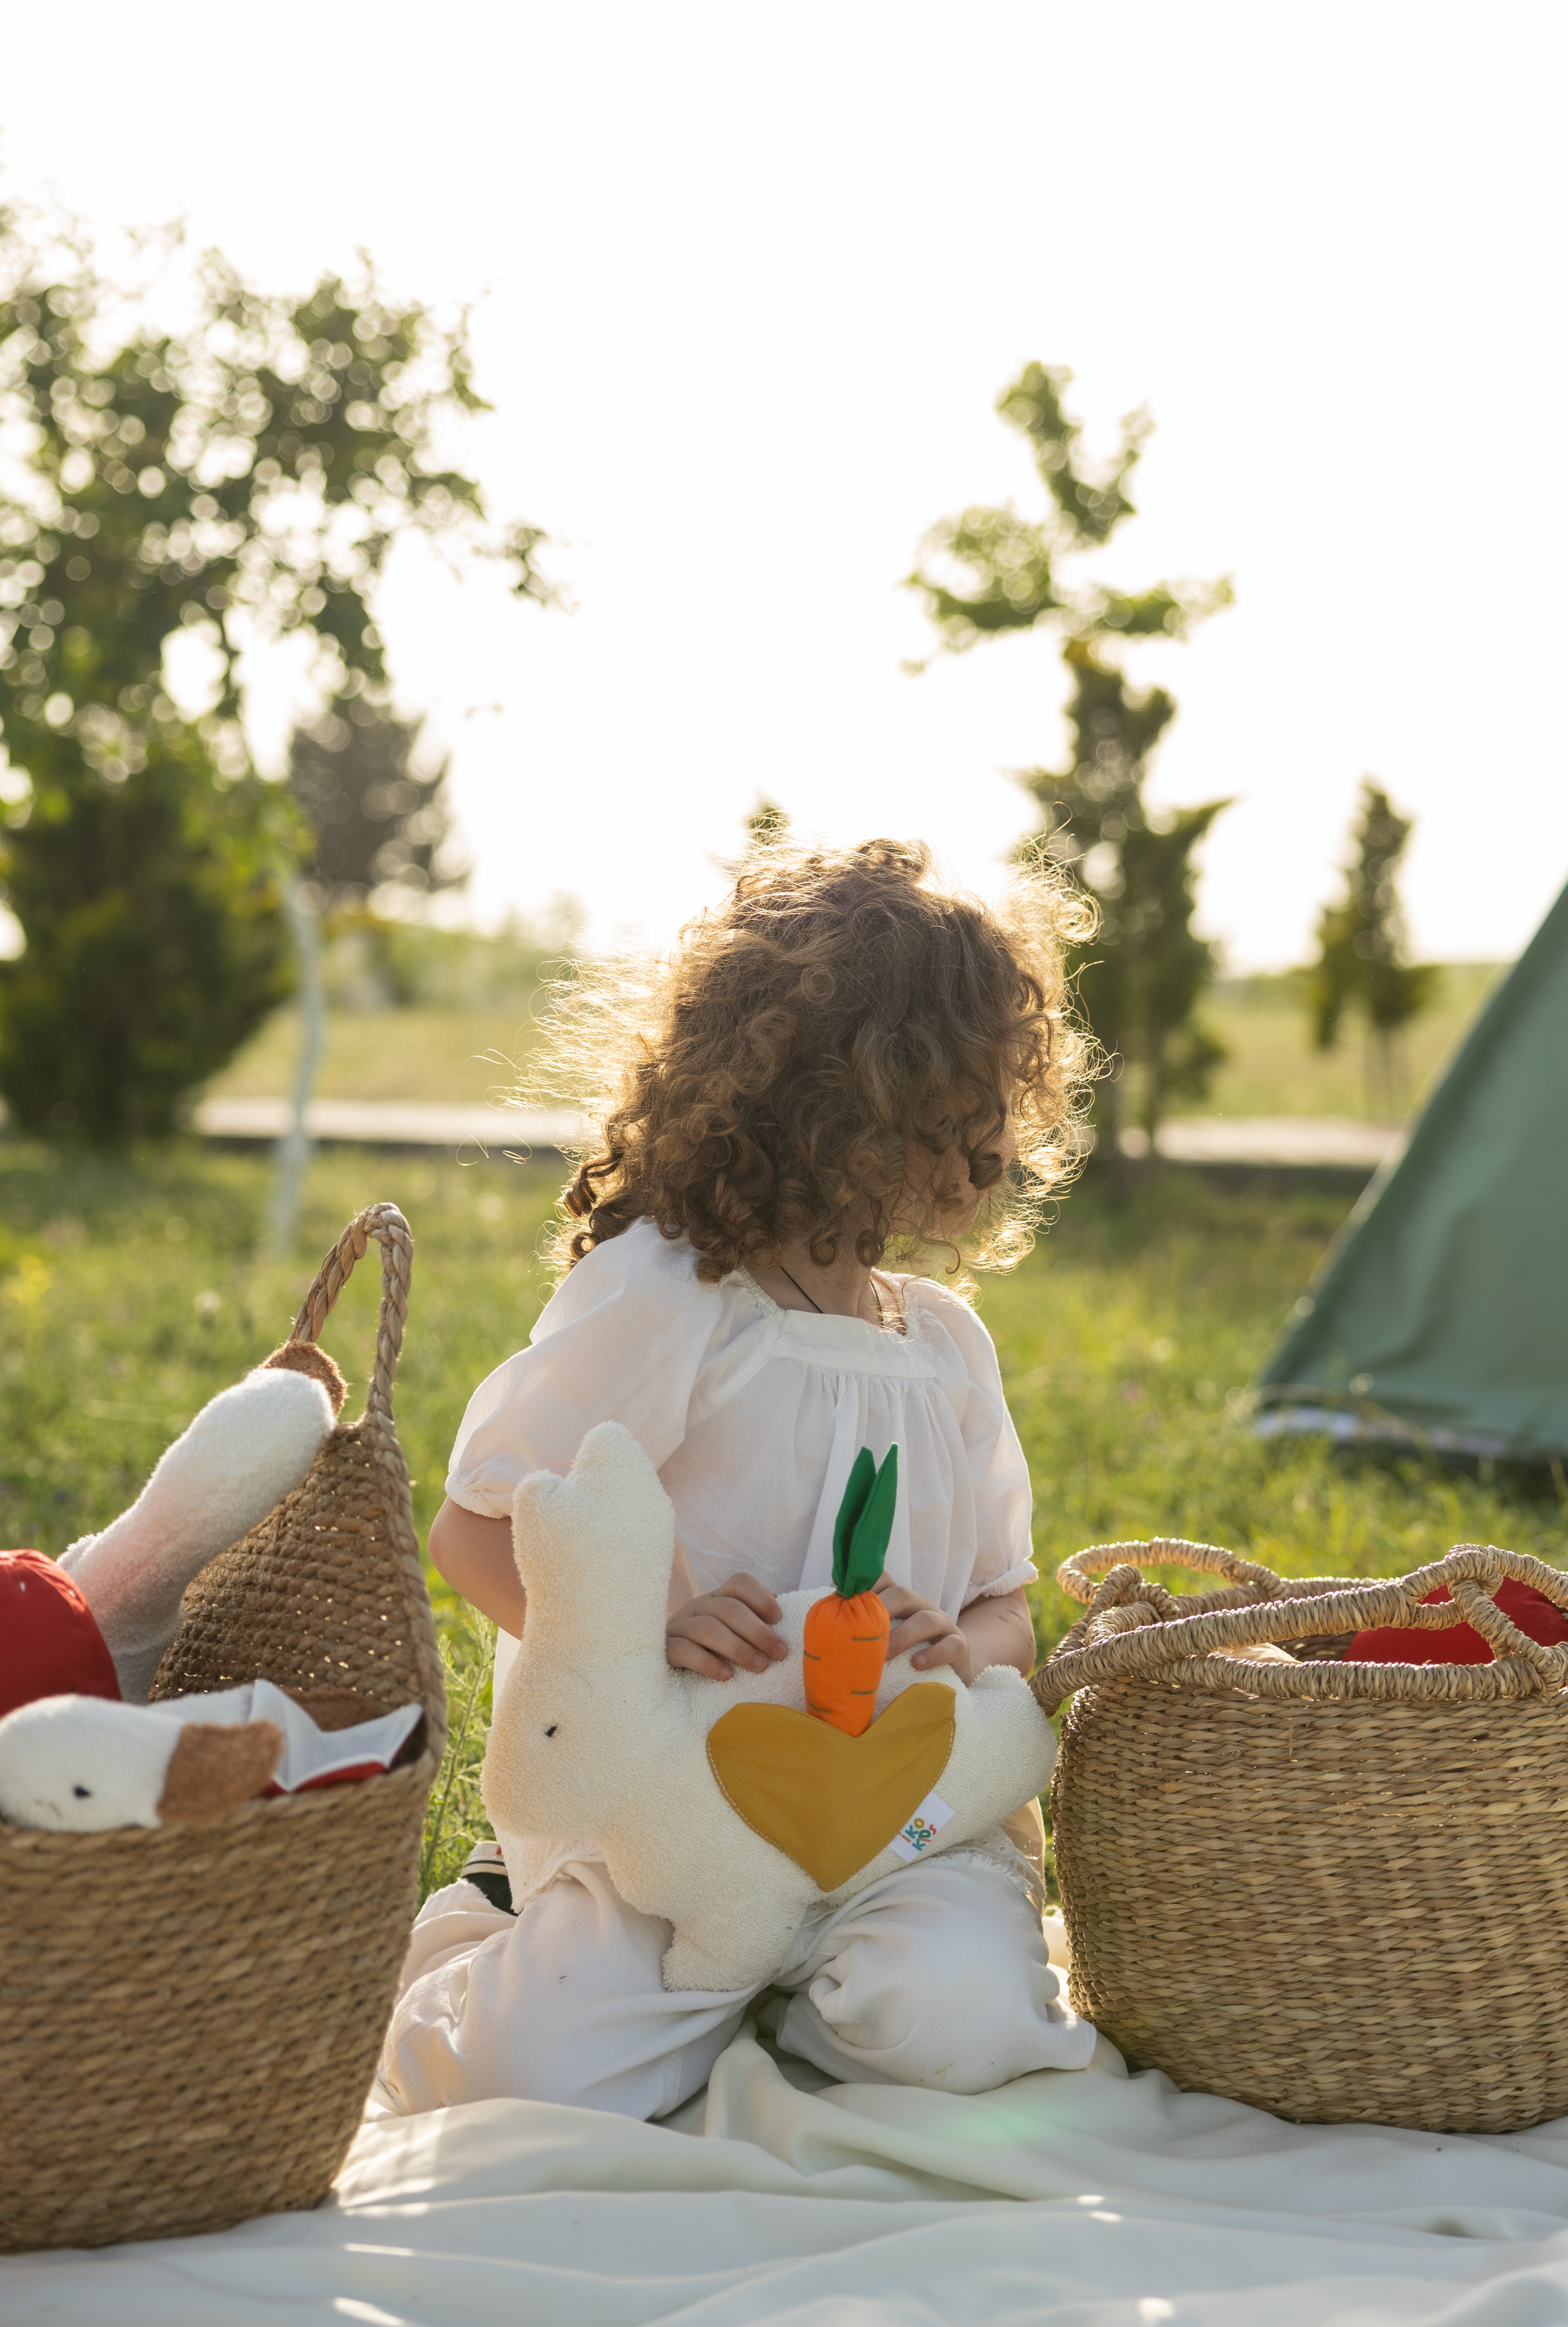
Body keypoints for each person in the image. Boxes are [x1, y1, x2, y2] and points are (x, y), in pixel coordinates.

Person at [380, 836, 1101, 2121]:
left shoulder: (941, 1346)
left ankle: (790, 1982)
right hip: (679, 1826)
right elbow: (477, 1529)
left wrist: (965, 1646)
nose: (986, 1142)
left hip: (898, 1821)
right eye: (958, 1101)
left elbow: (1006, 1605)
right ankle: (509, 1920)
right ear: (838, 1097)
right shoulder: (673, 1296)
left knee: (958, 2035)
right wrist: (640, 1629)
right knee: (520, 2080)